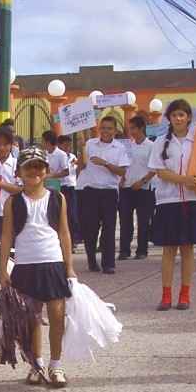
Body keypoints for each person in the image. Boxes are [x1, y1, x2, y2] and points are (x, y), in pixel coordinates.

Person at [0, 147, 75, 387]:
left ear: (46, 170)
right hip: (25, 265)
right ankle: (36, 363)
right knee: (31, 319)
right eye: (28, 167)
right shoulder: (13, 202)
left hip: (52, 262)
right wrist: (2, 269)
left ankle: (56, 364)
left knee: (57, 316)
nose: (34, 172)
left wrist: (69, 267)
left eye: (39, 167)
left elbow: (64, 233)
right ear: (18, 172)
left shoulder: (57, 198)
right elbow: (7, 236)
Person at [148, 100, 196, 310]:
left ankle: (185, 294)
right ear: (169, 118)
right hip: (168, 200)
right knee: (169, 249)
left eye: (182, 115)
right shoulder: (160, 142)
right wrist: (184, 180)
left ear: (188, 118)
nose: (178, 118)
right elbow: (159, 171)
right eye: (174, 115)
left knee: (187, 249)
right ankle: (166, 295)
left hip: (193, 199)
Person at [78, 116, 129, 274]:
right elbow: (82, 165)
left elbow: (122, 171)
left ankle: (109, 263)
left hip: (109, 191)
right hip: (90, 191)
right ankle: (92, 260)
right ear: (99, 129)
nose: (106, 131)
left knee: (109, 228)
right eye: (103, 128)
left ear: (115, 130)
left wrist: (105, 163)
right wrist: (80, 151)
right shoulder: (90, 144)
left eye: (109, 128)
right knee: (90, 228)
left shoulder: (120, 148)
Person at [118, 115, 155, 260]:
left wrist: (143, 181)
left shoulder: (151, 146)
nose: (131, 131)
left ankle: (142, 250)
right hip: (126, 188)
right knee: (125, 221)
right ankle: (124, 250)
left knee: (143, 221)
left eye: (133, 128)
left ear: (141, 128)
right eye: (130, 128)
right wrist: (122, 178)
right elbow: (124, 165)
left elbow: (155, 168)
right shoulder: (128, 146)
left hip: (144, 189)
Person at [50, 133, 81, 249]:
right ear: (59, 145)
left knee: (72, 215)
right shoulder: (55, 156)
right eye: (65, 145)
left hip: (72, 187)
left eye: (69, 145)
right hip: (59, 186)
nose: (68, 148)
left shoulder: (73, 157)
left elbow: (77, 170)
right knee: (60, 215)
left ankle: (72, 240)